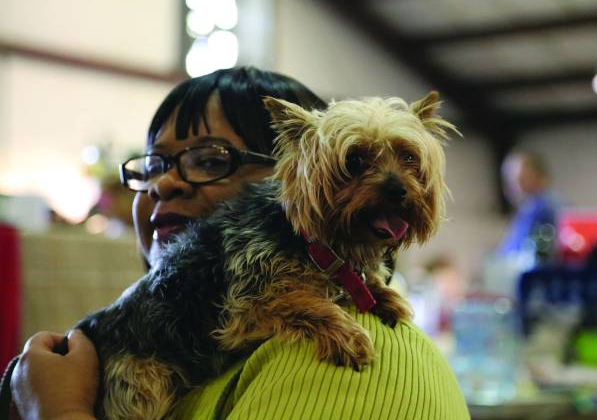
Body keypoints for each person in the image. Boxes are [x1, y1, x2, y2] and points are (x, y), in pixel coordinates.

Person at [10, 66, 469, 419]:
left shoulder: (348, 357)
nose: (164, 184)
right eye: (152, 166)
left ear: (295, 175)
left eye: (209, 160)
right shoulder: (198, 347)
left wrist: (59, 412)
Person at [497, 150, 561, 257]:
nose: (514, 186)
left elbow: (518, 252)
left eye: (520, 179)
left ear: (540, 177)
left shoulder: (543, 208)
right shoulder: (527, 209)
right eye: (510, 180)